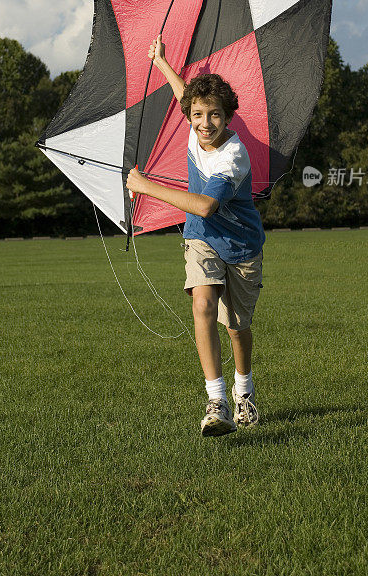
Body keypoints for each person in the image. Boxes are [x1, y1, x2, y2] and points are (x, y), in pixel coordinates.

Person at [126, 34, 265, 437]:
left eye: (215, 116)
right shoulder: (194, 122)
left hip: (241, 246)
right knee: (202, 304)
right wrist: (162, 62)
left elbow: (205, 205)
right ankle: (216, 400)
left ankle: (244, 391)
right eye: (199, 115)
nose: (205, 124)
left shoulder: (233, 156)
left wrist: (146, 185)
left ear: (228, 117)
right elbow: (184, 94)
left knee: (237, 327)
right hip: (201, 238)